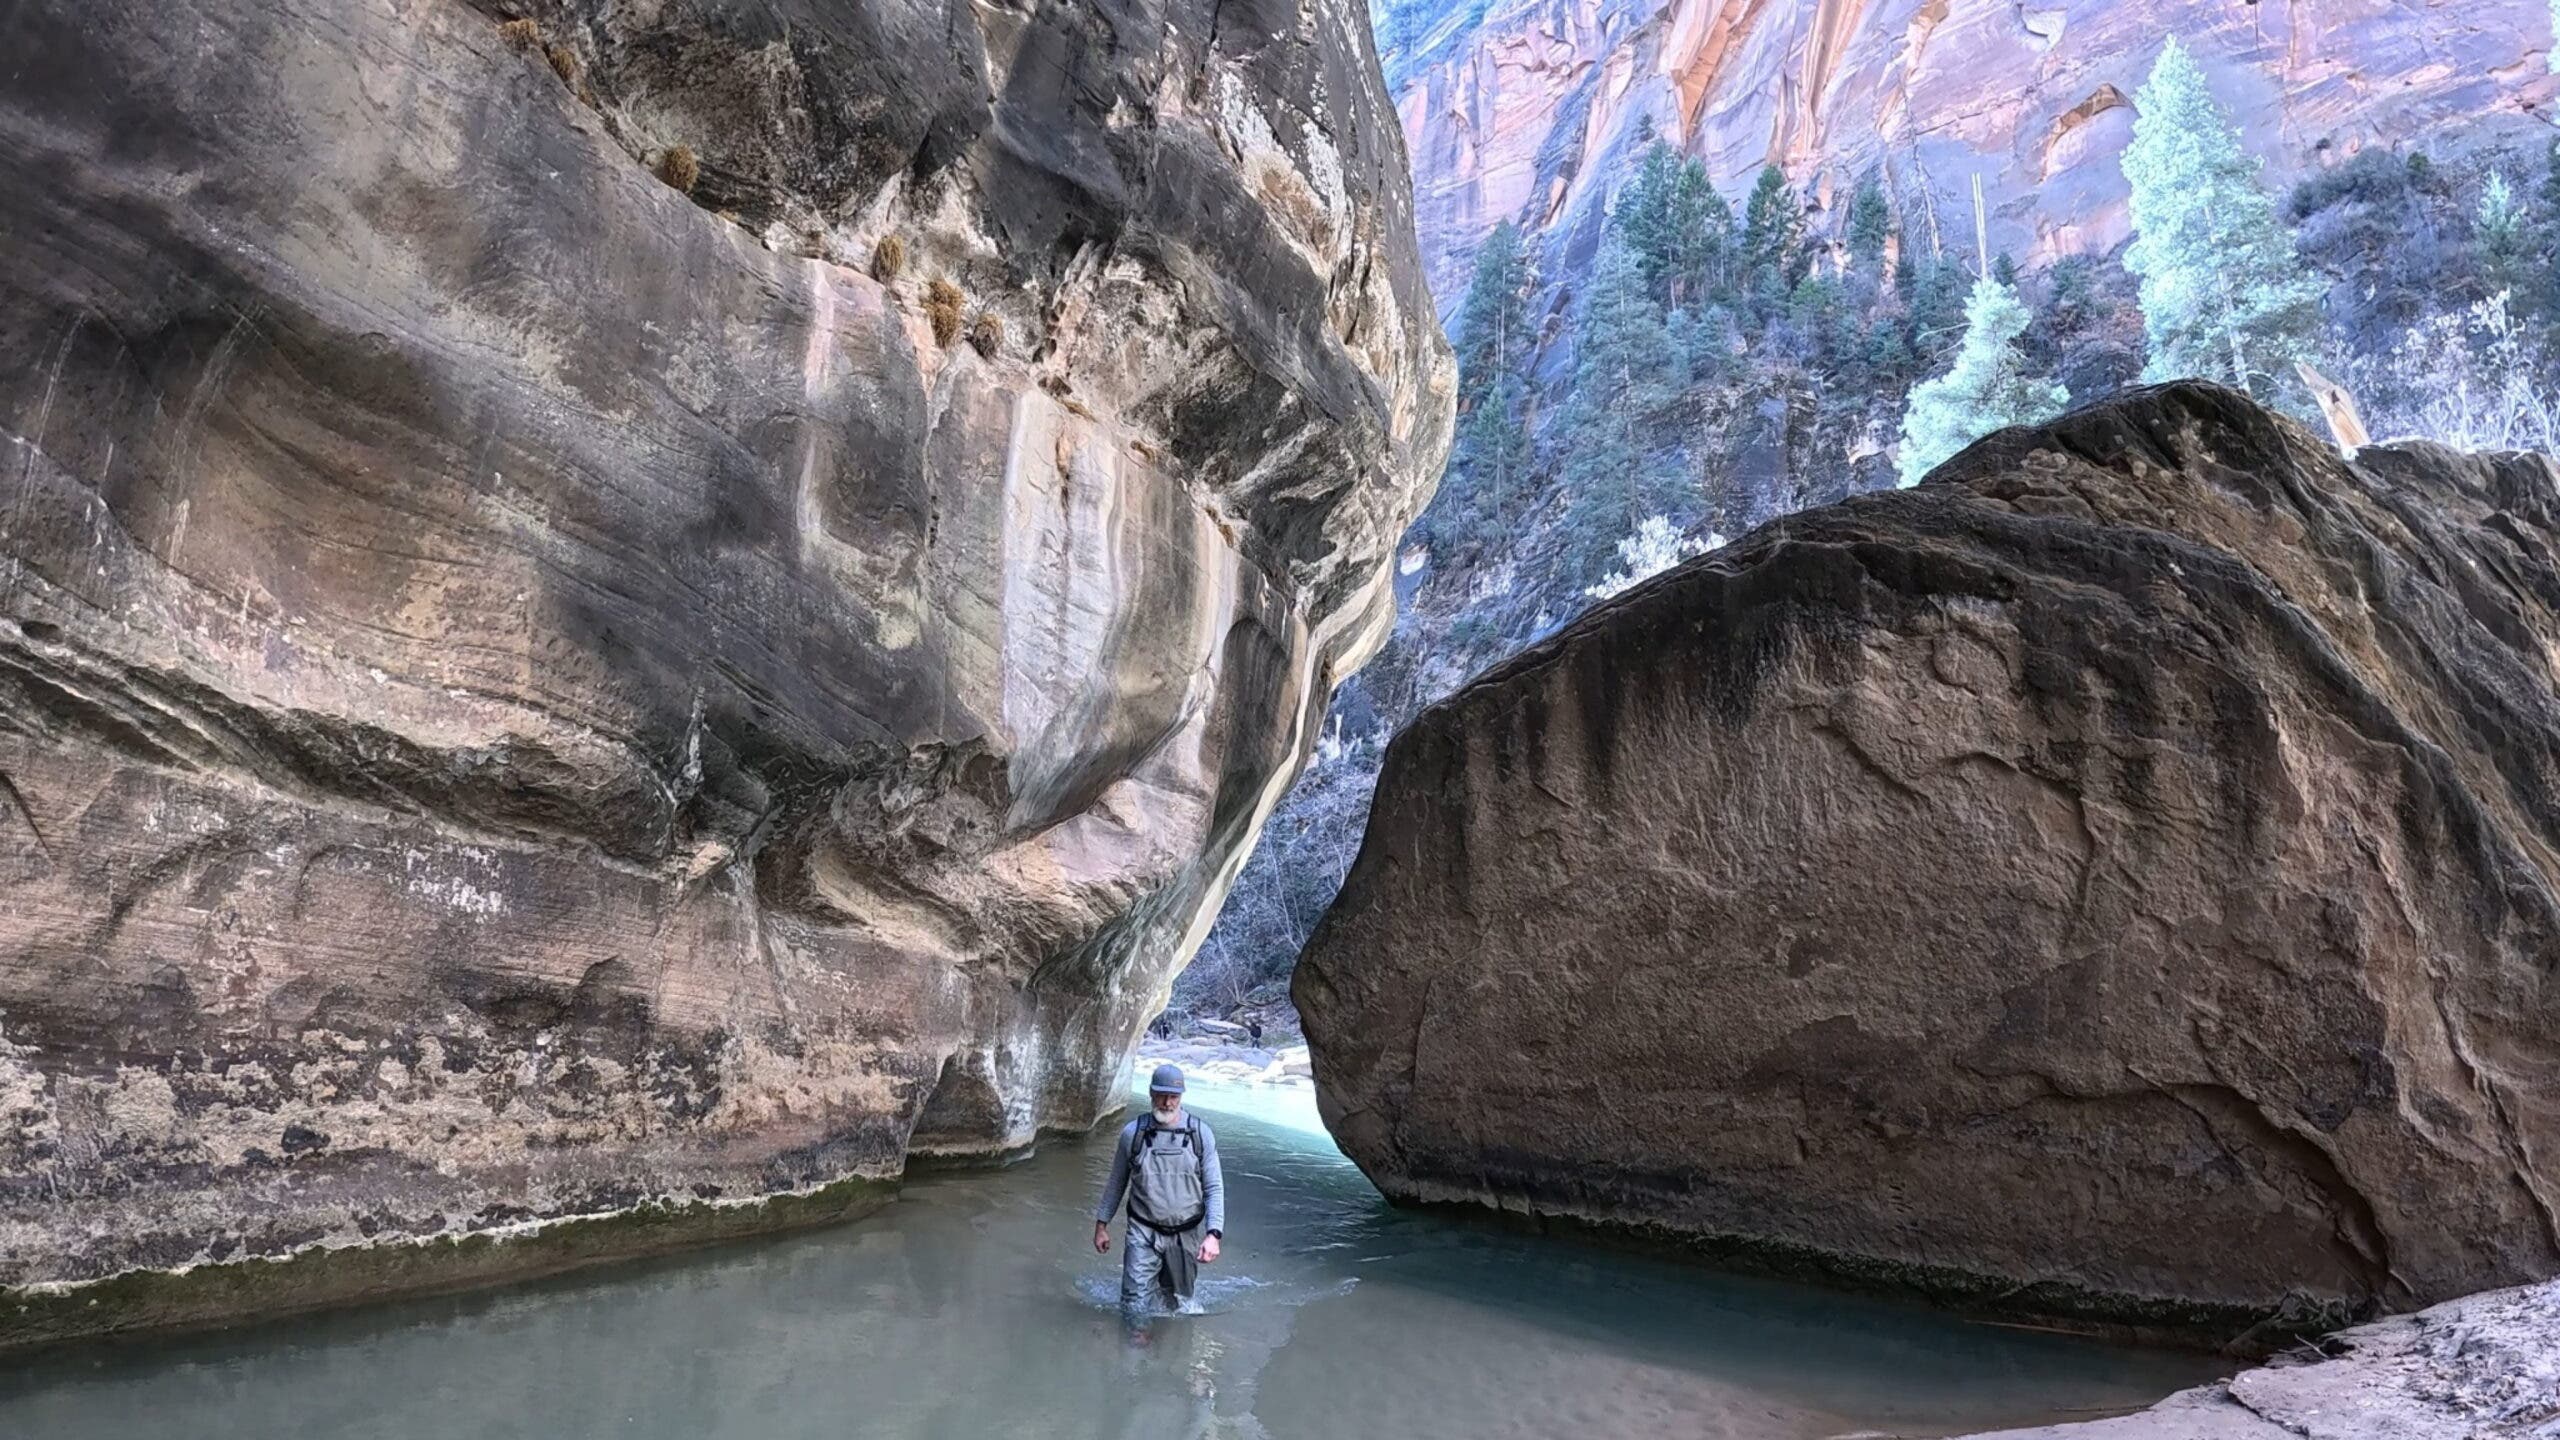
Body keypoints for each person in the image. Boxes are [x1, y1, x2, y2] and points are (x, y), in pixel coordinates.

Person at [1092, 1063, 1224, 1315]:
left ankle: (1168, 1352)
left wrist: (1213, 1234)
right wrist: (1102, 1225)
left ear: (1181, 1097)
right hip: (1143, 1232)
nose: (1166, 1102)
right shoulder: (1133, 1134)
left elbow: (1214, 1187)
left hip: (1185, 1234)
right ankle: (1135, 1347)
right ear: (1151, 1093)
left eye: (1173, 1096)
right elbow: (1116, 1182)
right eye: (1161, 1095)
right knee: (1133, 1305)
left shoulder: (1200, 1134)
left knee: (1178, 1305)